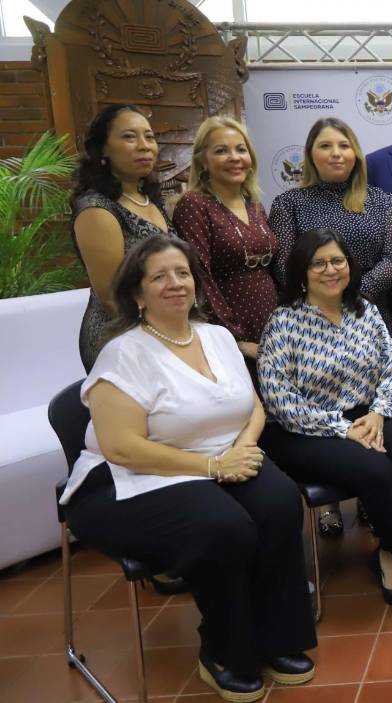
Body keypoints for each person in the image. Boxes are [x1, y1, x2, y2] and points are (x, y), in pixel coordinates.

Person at [59, 234, 317, 702]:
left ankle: (278, 638)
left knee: (279, 501)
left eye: (182, 273)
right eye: (158, 276)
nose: (174, 283)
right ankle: (224, 650)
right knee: (224, 527)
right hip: (134, 477)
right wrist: (215, 465)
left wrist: (243, 450)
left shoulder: (217, 337)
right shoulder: (123, 353)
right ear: (137, 293)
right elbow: (122, 448)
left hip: (221, 456)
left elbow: (253, 406)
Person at [258, 229, 392, 618]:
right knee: (374, 468)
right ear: (302, 272)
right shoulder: (283, 322)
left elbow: (388, 369)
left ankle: (391, 554)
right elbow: (279, 400)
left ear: (350, 266)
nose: (331, 270)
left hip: (368, 413)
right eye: (319, 263)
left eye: (338, 261)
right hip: (303, 429)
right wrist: (342, 428)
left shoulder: (366, 309)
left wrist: (377, 412)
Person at [268, 116, 392, 537]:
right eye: (326, 146)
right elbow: (284, 264)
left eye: (344, 146)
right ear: (311, 154)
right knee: (326, 406)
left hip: (368, 321)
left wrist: (351, 296)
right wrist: (330, 294)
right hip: (312, 330)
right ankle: (329, 505)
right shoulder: (289, 203)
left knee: (369, 407)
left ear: (356, 153)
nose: (336, 154)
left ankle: (370, 499)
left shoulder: (380, 200)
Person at [172, 116, 278, 372]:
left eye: (241, 149)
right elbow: (199, 275)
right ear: (203, 161)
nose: (234, 157)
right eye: (221, 151)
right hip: (226, 334)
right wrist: (234, 337)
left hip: (271, 327)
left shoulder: (254, 204)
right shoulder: (194, 205)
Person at [71, 104, 172, 371]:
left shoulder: (150, 199)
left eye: (149, 137)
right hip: (121, 338)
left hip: (164, 330)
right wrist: (162, 343)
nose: (144, 145)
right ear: (103, 149)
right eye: (129, 137)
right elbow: (112, 296)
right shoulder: (96, 207)